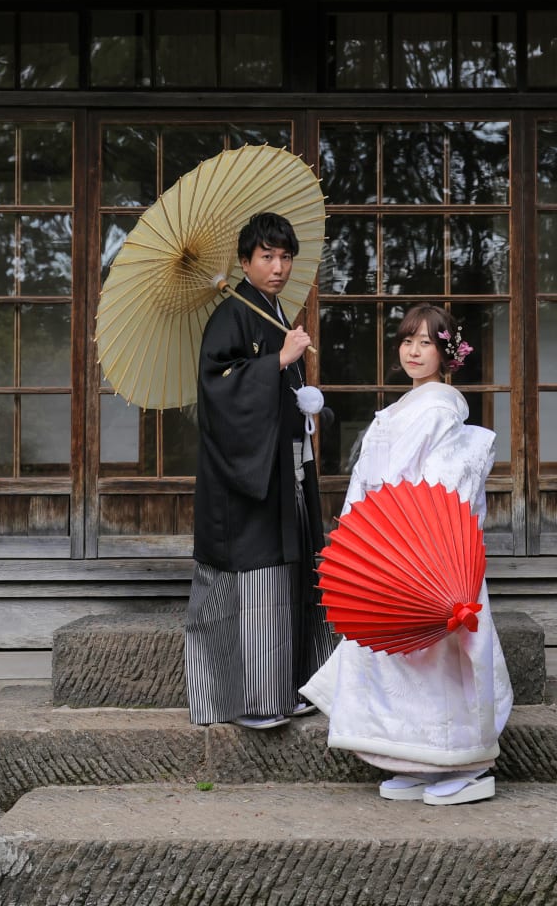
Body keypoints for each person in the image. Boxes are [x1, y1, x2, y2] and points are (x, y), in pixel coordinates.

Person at [301, 303, 514, 806]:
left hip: (425, 548)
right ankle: (415, 762)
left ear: (447, 353)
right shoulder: (404, 406)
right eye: (407, 341)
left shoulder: (440, 407)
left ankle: (464, 766)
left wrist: (392, 526)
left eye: (427, 343)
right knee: (399, 660)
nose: (415, 351)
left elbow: (433, 484)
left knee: (437, 662)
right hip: (391, 541)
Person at [185, 212, 334, 730]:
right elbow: (217, 390)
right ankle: (248, 700)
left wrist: (312, 409)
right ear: (244, 262)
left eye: (285, 256)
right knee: (255, 585)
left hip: (283, 473)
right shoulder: (232, 315)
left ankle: (293, 688)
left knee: (290, 578)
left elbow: (289, 402)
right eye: (267, 256)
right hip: (244, 484)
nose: (278, 266)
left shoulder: (275, 314)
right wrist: (276, 362)